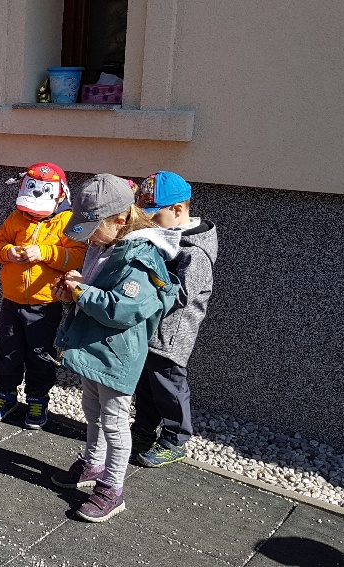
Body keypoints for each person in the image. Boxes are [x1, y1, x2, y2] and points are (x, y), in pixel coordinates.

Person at [49, 173, 179, 522]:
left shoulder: (140, 258)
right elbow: (96, 289)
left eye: (93, 229)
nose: (88, 237)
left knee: (115, 421)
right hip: (95, 345)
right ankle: (93, 463)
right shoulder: (104, 245)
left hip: (118, 353)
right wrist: (72, 293)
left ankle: (112, 487)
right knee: (92, 408)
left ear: (120, 220)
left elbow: (122, 309)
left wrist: (81, 291)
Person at [0, 163, 85, 428]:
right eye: (29, 208)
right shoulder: (16, 218)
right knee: (7, 351)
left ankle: (38, 399)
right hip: (12, 301)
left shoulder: (67, 222)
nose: (31, 213)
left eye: (38, 210)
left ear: (60, 198)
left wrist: (45, 252)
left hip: (45, 305)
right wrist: (7, 252)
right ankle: (5, 395)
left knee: (40, 354)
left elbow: (77, 255)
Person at [131, 171, 218, 467]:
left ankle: (175, 439)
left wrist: (146, 287)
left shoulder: (194, 253)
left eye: (154, 217)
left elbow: (181, 295)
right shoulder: (162, 236)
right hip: (150, 327)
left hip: (171, 335)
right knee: (145, 384)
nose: (149, 224)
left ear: (177, 210)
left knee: (169, 386)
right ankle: (143, 430)